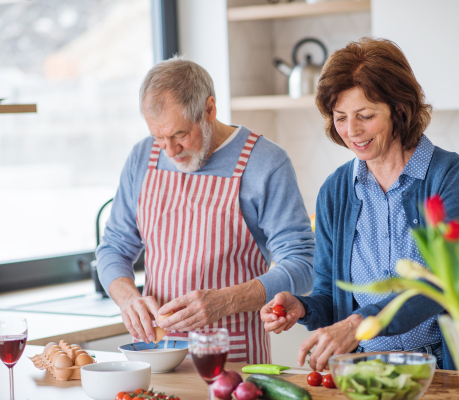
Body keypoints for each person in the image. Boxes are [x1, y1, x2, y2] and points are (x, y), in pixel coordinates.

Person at [260, 38, 459, 371]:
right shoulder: (336, 191)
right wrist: (302, 307)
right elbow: (331, 298)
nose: (352, 131)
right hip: (364, 368)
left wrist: (358, 323)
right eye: (340, 117)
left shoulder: (447, 175)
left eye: (365, 115)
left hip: (440, 365)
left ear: (399, 109)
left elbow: (436, 283)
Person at [96, 57, 314, 364]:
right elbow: (113, 248)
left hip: (234, 359)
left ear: (209, 109)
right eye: (159, 137)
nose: (170, 151)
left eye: (180, 135)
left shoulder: (266, 163)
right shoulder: (142, 157)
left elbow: (303, 264)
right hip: (155, 359)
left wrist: (225, 301)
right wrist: (128, 298)